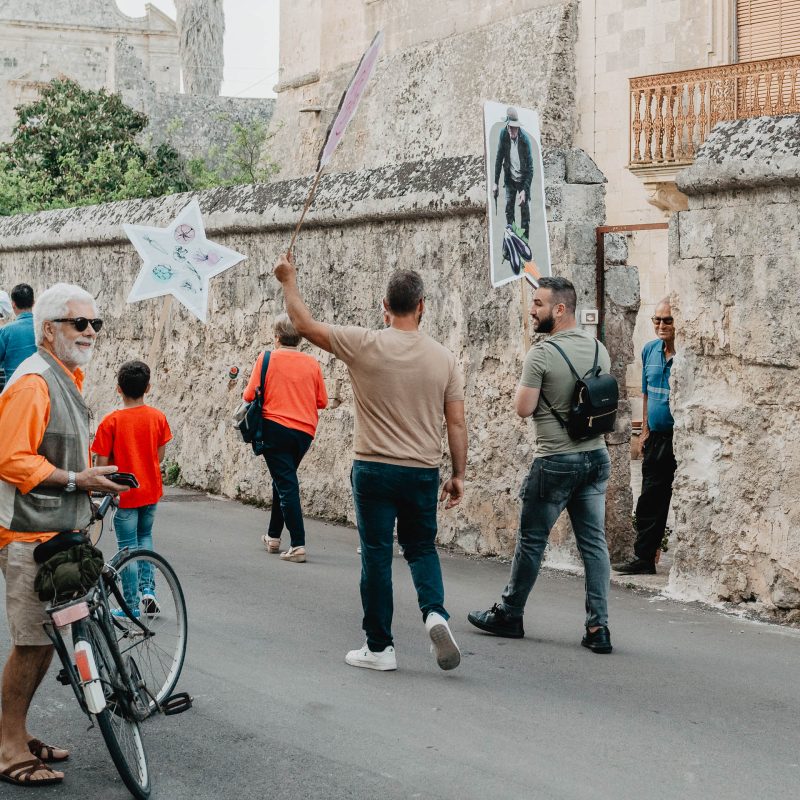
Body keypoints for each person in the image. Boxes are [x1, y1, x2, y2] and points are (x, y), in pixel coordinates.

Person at [274, 254, 467, 672]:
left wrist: (289, 279)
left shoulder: (363, 343)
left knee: (376, 555)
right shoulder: (444, 359)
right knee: (420, 547)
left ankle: (380, 648)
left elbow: (303, 325)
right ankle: (435, 612)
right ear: (422, 306)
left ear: (384, 306)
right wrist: (458, 474)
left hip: (374, 468)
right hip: (422, 470)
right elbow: (456, 421)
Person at [0, 283, 128, 787]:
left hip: (52, 529)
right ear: (49, 329)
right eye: (81, 323)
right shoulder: (34, 382)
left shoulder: (63, 374)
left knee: (44, 641)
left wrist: (87, 487)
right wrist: (79, 481)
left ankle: (15, 730)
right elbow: (12, 458)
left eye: (96, 323)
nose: (91, 331)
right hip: (29, 535)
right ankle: (8, 746)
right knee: (32, 643)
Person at [468, 276, 615, 654]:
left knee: (532, 541)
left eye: (538, 304)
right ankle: (598, 628)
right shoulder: (599, 348)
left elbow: (523, 408)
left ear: (560, 309)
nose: (531, 310)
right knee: (594, 545)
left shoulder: (542, 354)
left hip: (555, 460)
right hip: (596, 456)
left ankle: (509, 613)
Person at [243, 313, 327, 563]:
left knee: (286, 484)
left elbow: (249, 395)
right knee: (282, 479)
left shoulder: (267, 358)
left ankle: (298, 544)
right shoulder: (312, 363)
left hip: (274, 428)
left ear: (277, 337)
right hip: (304, 433)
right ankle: (273, 537)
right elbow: (321, 400)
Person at [92, 360, 172, 613]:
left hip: (124, 494)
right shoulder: (158, 417)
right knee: (145, 538)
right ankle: (149, 591)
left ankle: (130, 605)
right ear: (148, 388)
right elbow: (160, 455)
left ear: (118, 389)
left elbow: (101, 464)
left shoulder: (110, 422)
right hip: (150, 490)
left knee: (127, 548)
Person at [614, 299, 677, 575]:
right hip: (657, 437)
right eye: (657, 320)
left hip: (680, 437)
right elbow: (647, 392)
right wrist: (645, 431)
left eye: (668, 320)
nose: (661, 325)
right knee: (650, 498)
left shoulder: (686, 354)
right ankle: (644, 558)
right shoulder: (649, 350)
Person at [493, 106, 533, 240]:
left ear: (518, 127)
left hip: (523, 181)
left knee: (525, 215)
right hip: (509, 179)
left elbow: (531, 169)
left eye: (514, 128)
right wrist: (495, 183)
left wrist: (525, 190)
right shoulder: (503, 135)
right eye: (510, 127)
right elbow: (499, 159)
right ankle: (513, 241)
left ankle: (525, 244)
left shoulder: (525, 141)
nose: (511, 131)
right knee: (509, 212)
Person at [0, 284, 37, 392]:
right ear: (34, 303)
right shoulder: (46, 329)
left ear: (13, 304)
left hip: (14, 392)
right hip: (41, 391)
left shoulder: (6, 331)